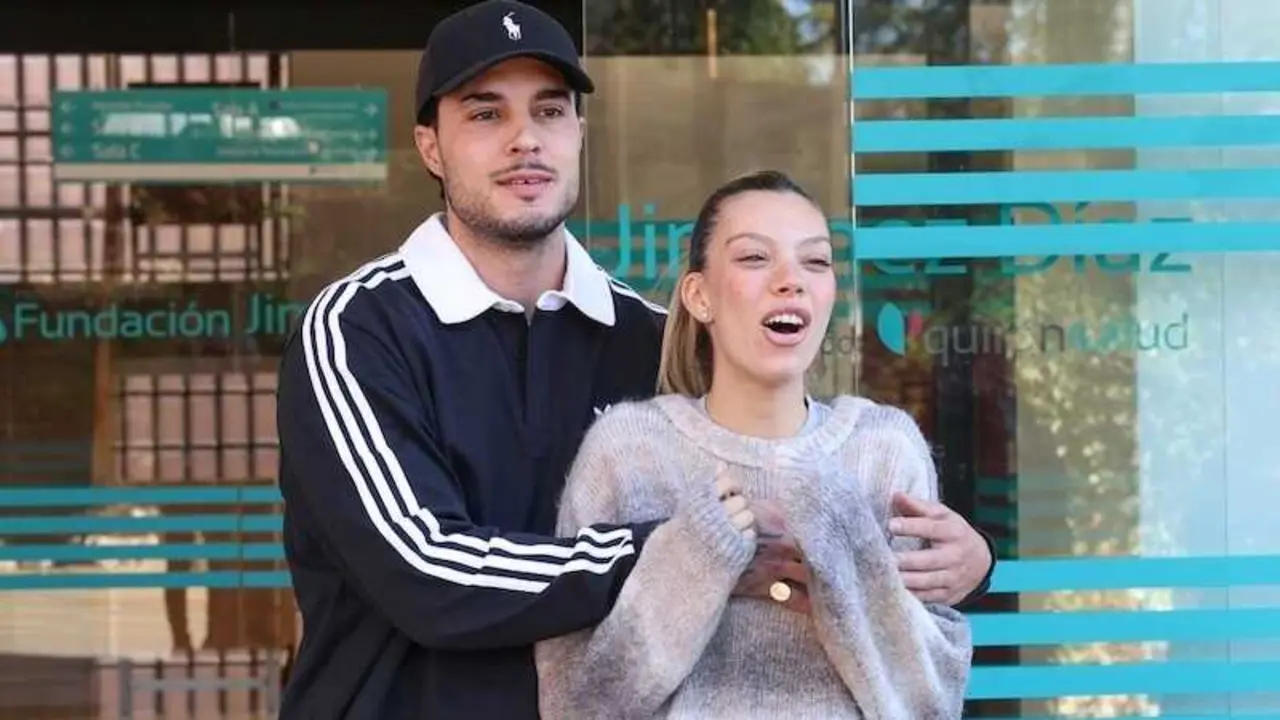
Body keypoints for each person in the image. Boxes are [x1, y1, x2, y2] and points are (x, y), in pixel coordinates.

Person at [273, 1, 993, 718]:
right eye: (486, 114)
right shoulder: (357, 329)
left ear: (579, 133)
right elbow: (427, 572)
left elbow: (799, 492)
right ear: (430, 146)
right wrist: (688, 549)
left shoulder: (655, 340)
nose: (526, 139)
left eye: (550, 112)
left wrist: (965, 562)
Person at [534, 169, 973, 719]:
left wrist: (843, 545)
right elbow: (574, 705)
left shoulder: (883, 450)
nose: (791, 280)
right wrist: (697, 556)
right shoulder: (628, 451)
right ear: (699, 296)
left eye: (815, 261)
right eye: (754, 258)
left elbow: (930, 704)